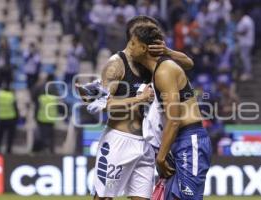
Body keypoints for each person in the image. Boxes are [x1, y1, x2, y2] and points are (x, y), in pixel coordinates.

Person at [77, 16, 194, 200]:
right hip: (119, 141)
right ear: (134, 38)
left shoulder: (149, 59)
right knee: (103, 198)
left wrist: (167, 51)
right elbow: (104, 105)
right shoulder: (116, 65)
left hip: (146, 144)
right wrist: (139, 99)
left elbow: (188, 64)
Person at [129, 25, 212, 200]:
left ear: (144, 48)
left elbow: (174, 120)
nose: (129, 47)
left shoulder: (164, 71)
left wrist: (160, 158)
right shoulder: (158, 70)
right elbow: (189, 63)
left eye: (133, 43)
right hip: (177, 141)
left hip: (190, 141)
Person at [0, 85, 18, 154]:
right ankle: (8, 150)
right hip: (11, 118)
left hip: (1, 118)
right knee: (10, 135)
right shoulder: (11, 96)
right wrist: (17, 116)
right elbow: (15, 107)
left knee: (0, 135)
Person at [235, 10, 255, 81]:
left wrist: (237, 33)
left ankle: (248, 73)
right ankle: (246, 72)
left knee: (245, 58)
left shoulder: (246, 20)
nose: (236, 17)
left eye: (237, 15)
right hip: (245, 42)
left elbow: (245, 31)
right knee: (245, 58)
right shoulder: (244, 20)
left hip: (246, 43)